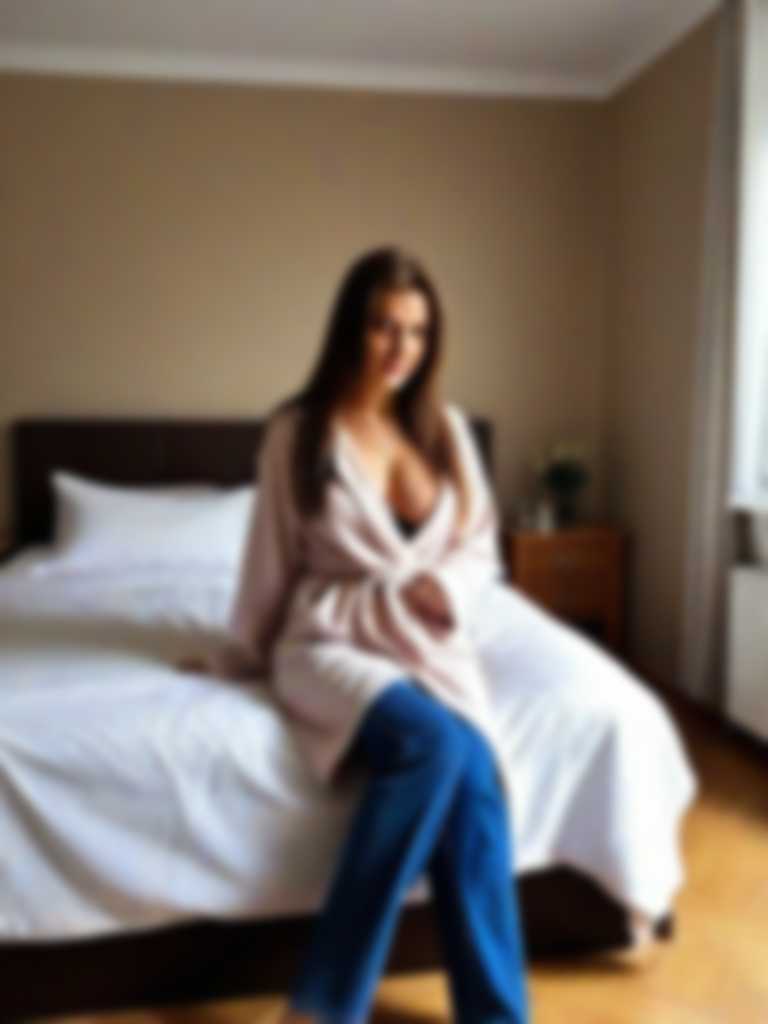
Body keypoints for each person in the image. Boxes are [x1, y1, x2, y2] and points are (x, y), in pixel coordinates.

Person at [179, 245, 531, 1022]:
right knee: (434, 744)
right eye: (382, 327)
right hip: (328, 642)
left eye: (416, 331)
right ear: (350, 328)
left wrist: (444, 587)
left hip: (426, 641)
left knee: (474, 766)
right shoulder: (299, 432)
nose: (401, 347)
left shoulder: (446, 432)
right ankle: (324, 1006)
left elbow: (480, 546)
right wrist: (238, 655)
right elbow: (269, 555)